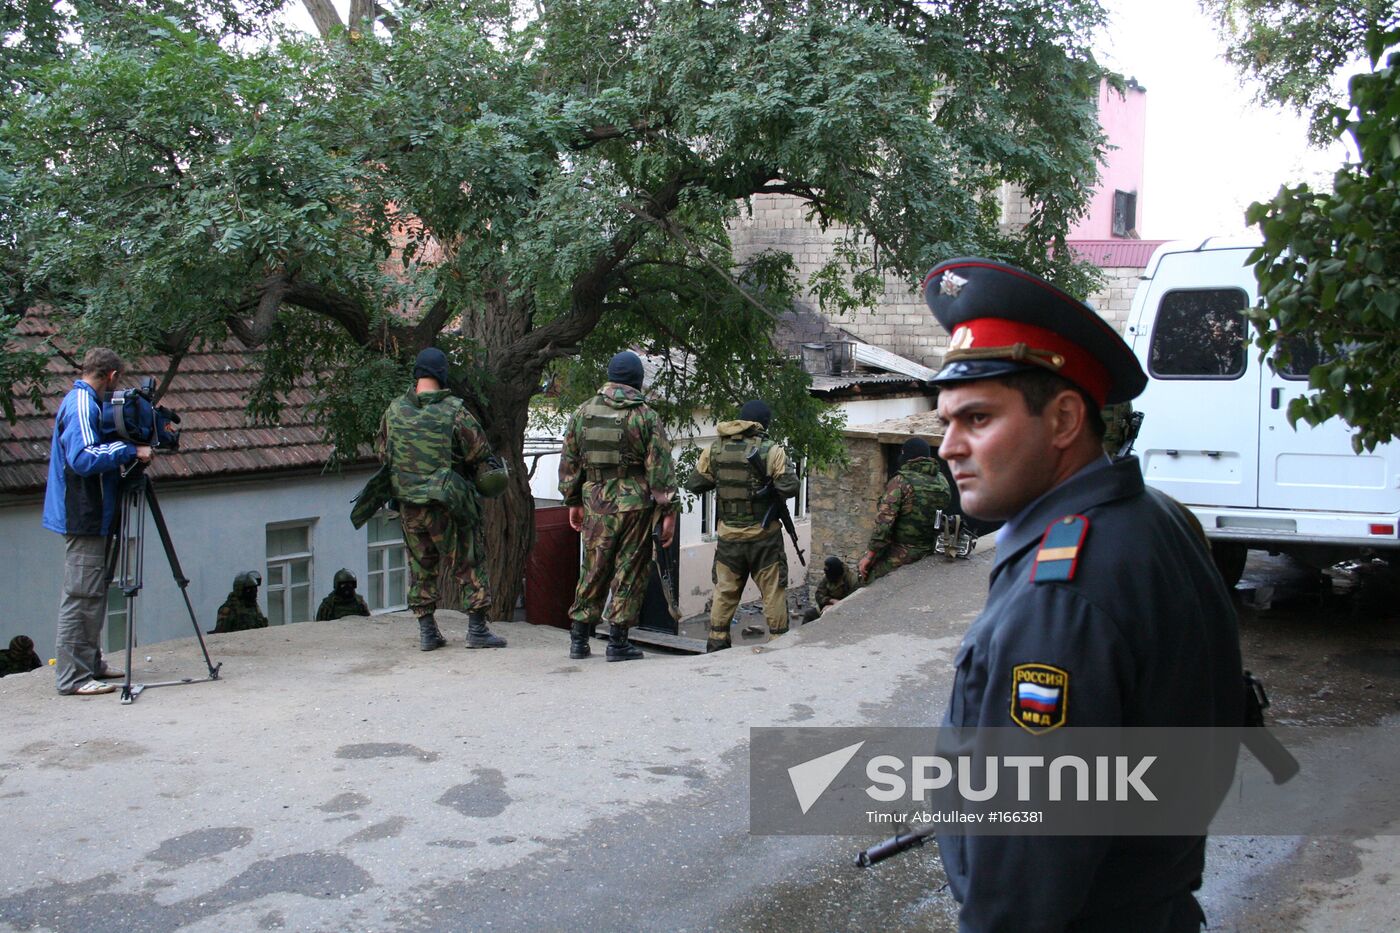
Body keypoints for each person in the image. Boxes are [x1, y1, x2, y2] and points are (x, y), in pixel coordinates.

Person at [923, 257, 1243, 931]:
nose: (948, 446)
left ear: (1064, 418)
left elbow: (1023, 887)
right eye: (945, 420)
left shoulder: (1060, 595)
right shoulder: (1155, 518)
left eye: (976, 418)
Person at [378, 347, 506, 651]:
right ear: (442, 374)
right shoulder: (454, 410)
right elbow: (480, 454)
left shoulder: (394, 410)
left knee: (420, 566)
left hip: (409, 502)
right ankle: (476, 629)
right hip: (447, 503)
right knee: (468, 559)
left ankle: (427, 632)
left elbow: (383, 454)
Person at [42, 347, 154, 696]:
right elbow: (82, 458)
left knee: (93, 592)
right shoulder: (81, 405)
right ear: (112, 376)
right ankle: (73, 678)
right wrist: (129, 451)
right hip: (83, 514)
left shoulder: (85, 402)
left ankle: (90, 664)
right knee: (80, 595)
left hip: (94, 513)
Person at [558, 351, 679, 662]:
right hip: (635, 504)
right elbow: (660, 471)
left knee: (593, 567)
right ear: (637, 381)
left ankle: (578, 639)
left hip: (596, 502)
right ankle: (617, 641)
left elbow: (569, 461)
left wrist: (573, 501)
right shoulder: (646, 416)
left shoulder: (582, 413)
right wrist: (668, 513)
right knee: (630, 570)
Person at [685, 399, 799, 652]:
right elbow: (790, 487)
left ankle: (716, 643)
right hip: (764, 538)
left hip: (729, 538)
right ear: (764, 424)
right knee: (773, 591)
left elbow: (695, 484)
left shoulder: (714, 449)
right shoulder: (773, 450)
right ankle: (779, 644)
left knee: (725, 592)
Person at [858, 436, 951, 583]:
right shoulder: (942, 481)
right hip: (930, 549)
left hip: (904, 552)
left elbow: (884, 524)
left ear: (908, 455)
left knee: (865, 582)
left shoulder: (900, 482)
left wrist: (869, 556)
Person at [801, 555, 860, 623]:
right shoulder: (828, 577)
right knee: (809, 614)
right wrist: (831, 601)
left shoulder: (851, 580)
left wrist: (835, 607)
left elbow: (854, 603)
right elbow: (818, 595)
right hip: (827, 606)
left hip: (844, 610)